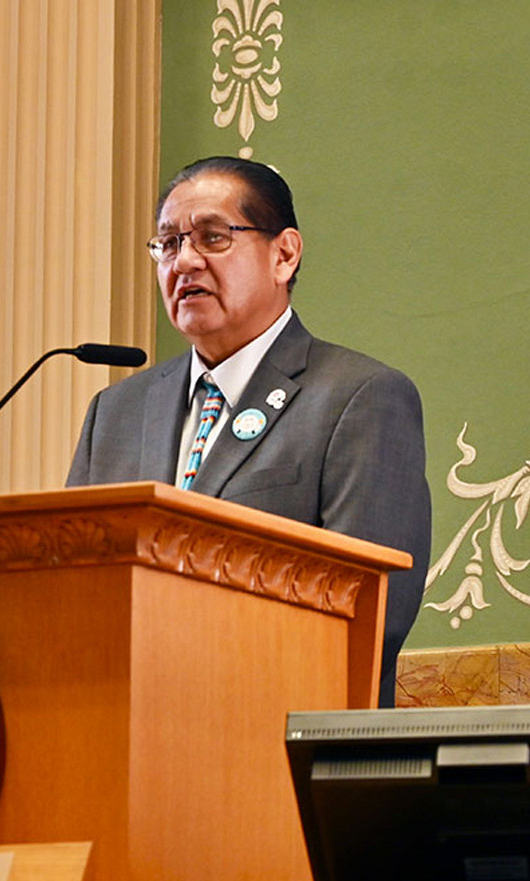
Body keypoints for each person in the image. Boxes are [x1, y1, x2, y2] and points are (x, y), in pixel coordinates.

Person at [66, 156, 428, 708]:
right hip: (123, 744)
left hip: (277, 750)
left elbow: (371, 617)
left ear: (283, 254)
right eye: (168, 244)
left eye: (212, 237)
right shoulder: (115, 414)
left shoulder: (358, 397)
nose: (184, 261)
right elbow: (73, 593)